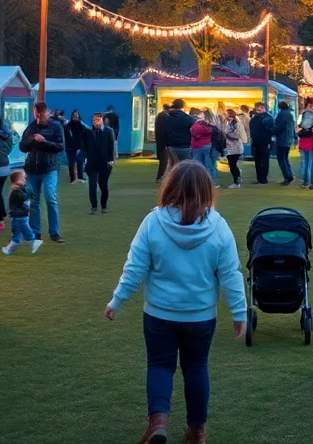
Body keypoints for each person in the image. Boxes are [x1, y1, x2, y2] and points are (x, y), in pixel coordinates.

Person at [105, 160, 246, 444]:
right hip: (200, 316)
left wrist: (117, 300)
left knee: (159, 366)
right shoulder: (218, 227)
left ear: (169, 187)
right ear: (208, 191)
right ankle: (197, 431)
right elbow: (230, 274)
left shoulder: (153, 222)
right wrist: (239, 312)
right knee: (196, 368)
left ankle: (158, 422)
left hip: (159, 314)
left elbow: (135, 268)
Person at [19, 101, 66, 245]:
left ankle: (54, 232)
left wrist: (44, 141)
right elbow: (22, 147)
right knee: (34, 201)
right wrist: (32, 141)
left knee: (51, 198)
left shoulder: (56, 127)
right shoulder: (31, 127)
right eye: (36, 115)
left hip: (50, 168)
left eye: (41, 115)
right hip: (33, 168)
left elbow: (60, 147)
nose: (39, 118)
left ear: (47, 113)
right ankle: (36, 232)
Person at [2, 169, 39, 255]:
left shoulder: (17, 192)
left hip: (18, 216)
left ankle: (33, 241)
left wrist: (27, 210)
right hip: (21, 215)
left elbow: (21, 204)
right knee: (19, 232)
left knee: (21, 230)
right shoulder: (22, 190)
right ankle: (8, 248)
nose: (25, 178)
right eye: (24, 177)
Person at [85, 113, 117, 214]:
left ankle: (104, 206)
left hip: (104, 162)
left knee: (103, 185)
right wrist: (86, 157)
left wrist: (111, 159)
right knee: (92, 185)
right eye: (94, 120)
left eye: (98, 120)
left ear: (102, 120)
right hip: (92, 162)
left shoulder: (108, 131)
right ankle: (93, 206)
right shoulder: (88, 132)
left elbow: (111, 145)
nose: (96, 122)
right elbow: (84, 146)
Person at [161, 100, 196, 169]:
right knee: (186, 166)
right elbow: (193, 132)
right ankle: (184, 179)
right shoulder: (189, 119)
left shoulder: (166, 118)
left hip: (171, 146)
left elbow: (164, 132)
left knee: (172, 165)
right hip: (186, 146)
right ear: (182, 107)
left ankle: (172, 179)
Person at [249, 103, 276, 185]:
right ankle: (260, 178)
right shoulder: (257, 117)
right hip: (257, 141)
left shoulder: (267, 117)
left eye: (261, 107)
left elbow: (271, 129)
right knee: (258, 160)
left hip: (264, 141)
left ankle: (263, 179)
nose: (258, 109)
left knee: (263, 160)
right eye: (257, 107)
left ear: (264, 108)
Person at [190, 109, 218, 185]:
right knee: (209, 165)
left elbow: (195, 134)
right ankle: (211, 182)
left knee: (198, 164)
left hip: (198, 146)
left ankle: (200, 182)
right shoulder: (212, 125)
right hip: (208, 145)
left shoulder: (196, 125)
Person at [273, 102, 297, 186]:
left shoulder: (281, 114)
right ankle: (290, 175)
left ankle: (288, 177)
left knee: (281, 159)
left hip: (282, 139)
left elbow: (279, 127)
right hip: (288, 139)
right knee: (285, 158)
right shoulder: (290, 114)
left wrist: (272, 131)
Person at [222, 109, 246, 189]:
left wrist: (227, 135)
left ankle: (236, 181)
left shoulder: (235, 124)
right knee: (232, 164)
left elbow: (237, 136)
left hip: (235, 147)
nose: (228, 117)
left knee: (232, 164)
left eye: (229, 116)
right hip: (231, 147)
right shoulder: (228, 123)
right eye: (227, 115)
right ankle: (237, 177)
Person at [64, 110, 87, 185]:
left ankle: (80, 177)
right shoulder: (68, 125)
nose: (76, 116)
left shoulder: (81, 125)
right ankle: (73, 179)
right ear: (72, 116)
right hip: (70, 148)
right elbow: (66, 136)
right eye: (74, 115)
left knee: (80, 162)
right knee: (71, 163)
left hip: (80, 147)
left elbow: (85, 135)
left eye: (77, 115)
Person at [296, 114, 313, 192]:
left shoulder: (303, 123)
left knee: (305, 165)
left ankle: (305, 182)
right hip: (311, 146)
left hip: (303, 145)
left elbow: (298, 131)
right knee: (312, 165)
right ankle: (312, 183)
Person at [154, 104, 172, 182]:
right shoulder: (165, 116)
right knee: (165, 160)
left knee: (163, 160)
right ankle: (161, 177)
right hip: (164, 142)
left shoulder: (159, 115)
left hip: (160, 140)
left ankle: (161, 176)